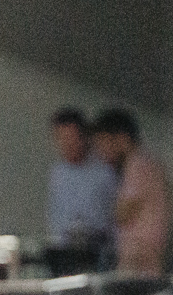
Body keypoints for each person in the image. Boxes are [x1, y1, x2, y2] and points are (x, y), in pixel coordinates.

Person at [91, 110, 173, 276]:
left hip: (140, 261)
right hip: (143, 258)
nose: (101, 152)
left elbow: (123, 214)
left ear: (122, 138)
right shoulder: (145, 165)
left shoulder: (138, 166)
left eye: (103, 143)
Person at [45, 108, 118, 258]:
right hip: (63, 252)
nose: (67, 144)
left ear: (83, 137)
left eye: (71, 138)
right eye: (61, 138)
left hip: (98, 252)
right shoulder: (58, 172)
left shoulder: (105, 170)